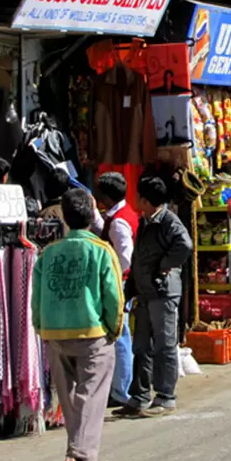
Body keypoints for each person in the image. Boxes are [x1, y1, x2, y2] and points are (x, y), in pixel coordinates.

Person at [32, 189, 123, 461]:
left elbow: (36, 298)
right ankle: (76, 455)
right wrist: (114, 330)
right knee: (90, 396)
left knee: (72, 398)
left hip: (55, 333)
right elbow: (114, 298)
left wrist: (41, 327)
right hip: (93, 332)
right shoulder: (101, 250)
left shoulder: (47, 254)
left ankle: (78, 454)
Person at [115, 176, 193, 417]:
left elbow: (185, 246)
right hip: (146, 292)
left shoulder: (169, 221)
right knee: (142, 346)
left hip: (163, 293)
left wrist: (163, 265)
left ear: (146, 200)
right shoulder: (146, 221)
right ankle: (139, 397)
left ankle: (165, 396)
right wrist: (129, 292)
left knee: (164, 345)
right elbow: (138, 258)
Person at [91, 172, 139, 407]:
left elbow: (125, 258)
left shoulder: (120, 221)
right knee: (120, 336)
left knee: (120, 337)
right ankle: (121, 386)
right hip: (119, 282)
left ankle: (122, 389)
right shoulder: (118, 216)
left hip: (119, 283)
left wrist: (112, 280)